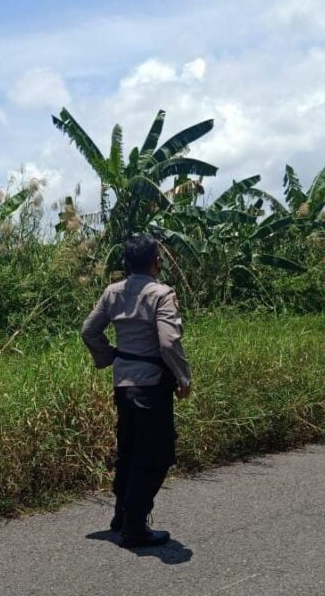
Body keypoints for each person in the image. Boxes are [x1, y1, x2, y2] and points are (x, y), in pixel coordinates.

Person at [81, 234, 192, 548]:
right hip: (152, 385)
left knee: (129, 451)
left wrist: (108, 356)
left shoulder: (112, 292)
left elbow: (89, 330)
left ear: (126, 264)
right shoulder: (161, 294)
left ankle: (121, 515)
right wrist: (183, 377)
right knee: (156, 454)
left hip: (123, 384)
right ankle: (134, 525)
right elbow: (169, 341)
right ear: (157, 262)